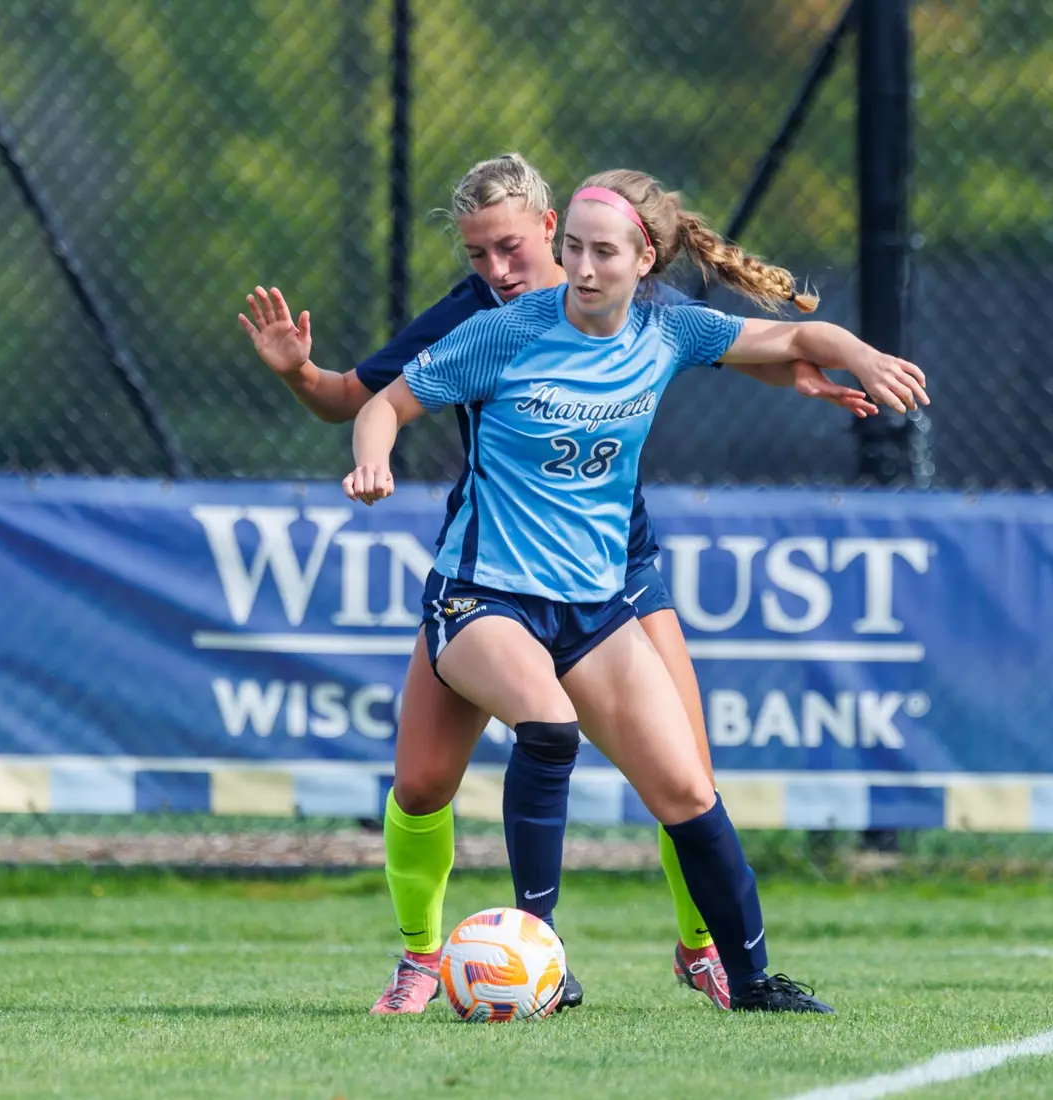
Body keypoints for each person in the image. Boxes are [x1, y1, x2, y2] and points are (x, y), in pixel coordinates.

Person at [240, 154, 875, 1015]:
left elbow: (776, 340)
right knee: (502, 748)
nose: (577, 266)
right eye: (573, 249)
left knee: (688, 786)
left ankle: (740, 973)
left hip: (604, 589)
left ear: (637, 258)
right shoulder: (496, 325)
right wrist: (367, 453)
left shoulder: (660, 323)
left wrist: (851, 359)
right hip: (485, 587)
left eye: (594, 251)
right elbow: (373, 401)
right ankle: (509, 954)